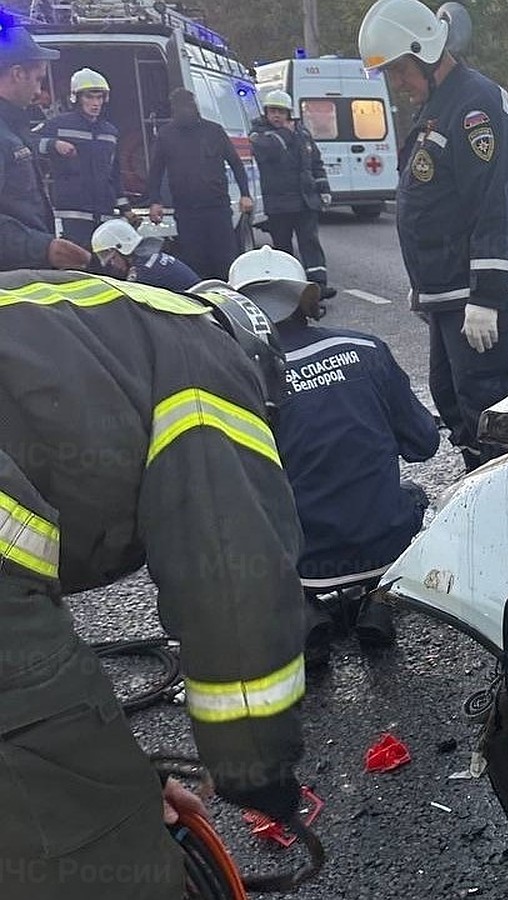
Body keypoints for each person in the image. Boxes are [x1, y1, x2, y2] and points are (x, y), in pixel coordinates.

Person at [0, 270, 307, 898]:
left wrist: (125, 774)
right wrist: (258, 770)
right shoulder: (208, 362)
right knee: (101, 851)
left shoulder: (93, 322)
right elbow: (230, 587)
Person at [229, 246, 439, 666]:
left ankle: (303, 612)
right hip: (383, 536)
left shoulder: (238, 379)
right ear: (307, 301)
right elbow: (425, 443)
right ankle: (377, 599)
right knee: (413, 494)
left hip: (301, 555)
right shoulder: (366, 348)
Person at [359, 0, 508, 472]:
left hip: (474, 293)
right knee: (449, 395)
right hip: (448, 289)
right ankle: (477, 479)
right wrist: (425, 285)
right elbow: (431, 199)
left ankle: (506, 491)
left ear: (425, 53)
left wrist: (488, 296)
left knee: (488, 404)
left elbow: (495, 200)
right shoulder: (439, 103)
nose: (397, 83)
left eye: (399, 71)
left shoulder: (475, 103)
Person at [0, 26, 92, 270]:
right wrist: (42, 248)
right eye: (38, 79)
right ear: (18, 74)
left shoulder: (14, 127)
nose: (40, 91)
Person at [145, 87, 254, 278]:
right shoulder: (166, 135)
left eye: (188, 106)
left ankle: (230, 297)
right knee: (194, 262)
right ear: (174, 110)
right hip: (187, 212)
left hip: (217, 209)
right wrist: (155, 201)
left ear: (194, 106)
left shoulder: (214, 131)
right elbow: (155, 171)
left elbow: (236, 164)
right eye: (180, 108)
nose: (184, 111)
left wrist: (245, 194)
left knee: (224, 260)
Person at [250, 89, 337, 301]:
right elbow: (269, 149)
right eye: (273, 111)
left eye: (281, 111)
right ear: (266, 113)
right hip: (279, 203)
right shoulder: (258, 134)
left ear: (289, 112)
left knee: (310, 243)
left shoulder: (302, 133)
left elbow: (315, 163)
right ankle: (288, 289)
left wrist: (323, 189)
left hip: (305, 201)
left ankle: (317, 286)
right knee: (283, 247)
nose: (277, 115)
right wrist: (288, 133)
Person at [37, 67, 136, 247]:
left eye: (99, 97)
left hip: (104, 216)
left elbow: (113, 175)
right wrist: (54, 145)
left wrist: (126, 209)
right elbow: (27, 142)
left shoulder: (110, 132)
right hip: (72, 216)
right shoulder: (58, 125)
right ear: (76, 98)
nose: (95, 103)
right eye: (89, 97)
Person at [91, 217, 201, 290]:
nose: (112, 265)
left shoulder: (142, 274)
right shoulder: (149, 260)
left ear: (123, 248)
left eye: (112, 258)